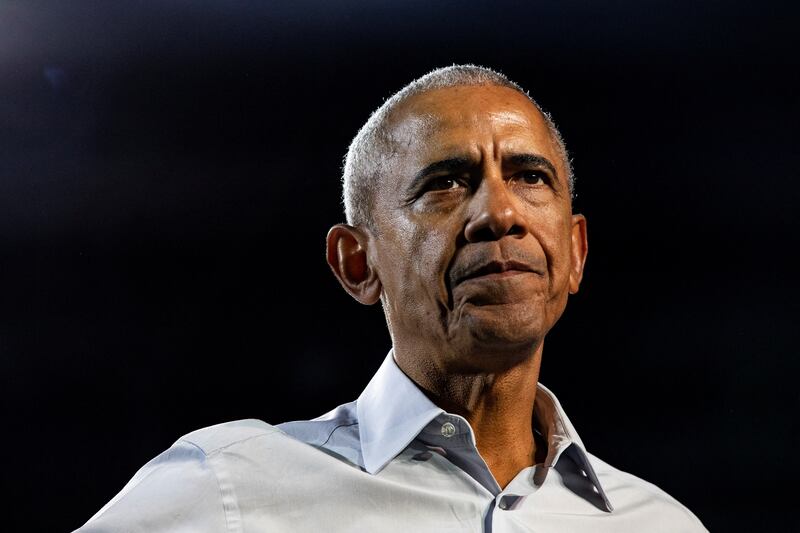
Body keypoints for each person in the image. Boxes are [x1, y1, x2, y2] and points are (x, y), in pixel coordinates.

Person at [75, 65, 707, 532]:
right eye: (446, 183)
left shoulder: (662, 524)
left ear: (574, 252)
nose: (500, 212)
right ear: (358, 263)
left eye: (529, 177)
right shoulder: (225, 488)